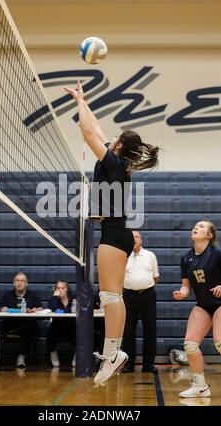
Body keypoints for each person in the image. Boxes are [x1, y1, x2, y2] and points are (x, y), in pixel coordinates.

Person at [64, 81, 159, 385]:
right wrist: (83, 100)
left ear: (119, 146)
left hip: (114, 233)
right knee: (112, 295)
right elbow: (98, 131)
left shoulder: (115, 163)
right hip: (119, 232)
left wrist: (79, 107)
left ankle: (113, 353)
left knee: (109, 295)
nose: (111, 137)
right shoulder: (119, 161)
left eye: (115, 138)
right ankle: (113, 353)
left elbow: (88, 133)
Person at [174, 220, 221, 398]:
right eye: (195, 225)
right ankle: (200, 386)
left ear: (209, 235)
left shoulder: (219, 253)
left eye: (202, 226)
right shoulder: (186, 258)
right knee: (190, 344)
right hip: (203, 304)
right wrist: (182, 293)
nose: (196, 227)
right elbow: (186, 286)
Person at [0, 272, 42, 368]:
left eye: (22, 281)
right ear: (13, 283)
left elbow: (41, 309)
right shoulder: (7, 295)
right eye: (17, 280)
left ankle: (22, 356)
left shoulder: (32, 295)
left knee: (36, 329)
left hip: (26, 325)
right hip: (9, 324)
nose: (19, 283)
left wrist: (35, 310)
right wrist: (1, 309)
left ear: (26, 283)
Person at [122, 230, 159, 373]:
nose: (134, 239)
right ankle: (129, 364)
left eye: (136, 237)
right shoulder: (123, 256)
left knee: (150, 331)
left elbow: (156, 277)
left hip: (147, 296)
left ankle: (148, 365)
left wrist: (143, 286)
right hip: (129, 296)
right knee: (128, 332)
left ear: (141, 240)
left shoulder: (150, 256)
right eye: (131, 237)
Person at [47, 279, 76, 367]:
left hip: (71, 325)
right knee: (52, 330)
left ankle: (78, 354)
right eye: (58, 288)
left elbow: (74, 310)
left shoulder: (74, 299)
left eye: (63, 288)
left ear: (67, 289)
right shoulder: (53, 299)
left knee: (77, 330)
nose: (60, 290)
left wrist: (63, 311)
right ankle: (53, 352)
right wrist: (55, 297)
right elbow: (53, 309)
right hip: (58, 325)